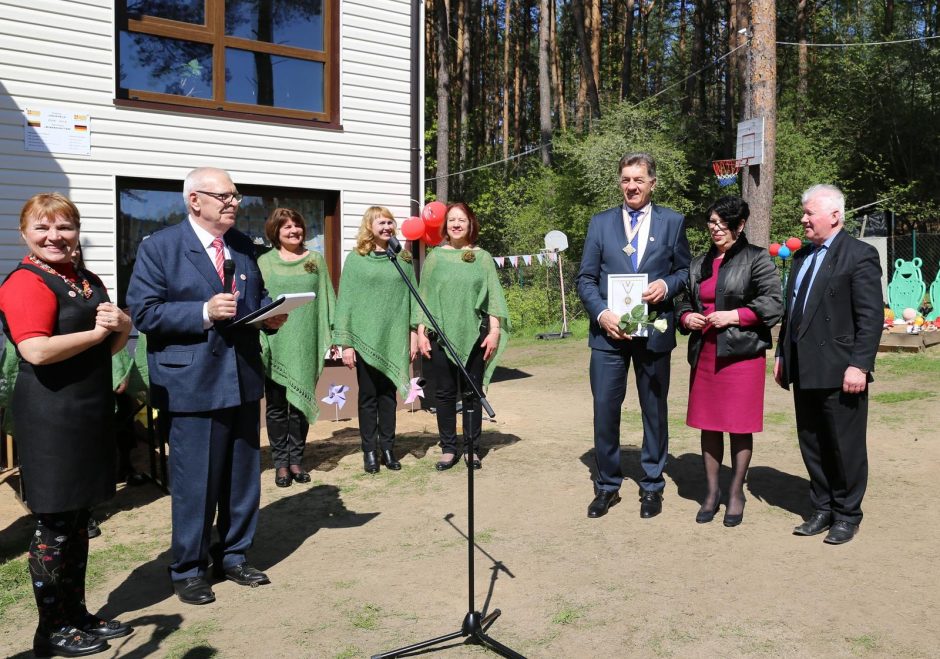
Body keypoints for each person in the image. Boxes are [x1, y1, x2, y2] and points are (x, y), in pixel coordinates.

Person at [127, 167, 286, 605]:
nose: (234, 202)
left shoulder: (242, 247)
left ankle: (234, 556)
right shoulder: (159, 248)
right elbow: (144, 313)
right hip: (191, 383)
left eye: (236, 195)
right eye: (225, 196)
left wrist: (269, 316)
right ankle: (189, 570)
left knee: (242, 479)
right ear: (195, 200)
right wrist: (201, 311)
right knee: (196, 482)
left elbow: (250, 303)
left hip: (241, 377)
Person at [0, 193, 133, 657]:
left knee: (79, 523)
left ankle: (76, 614)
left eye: (65, 227)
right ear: (25, 234)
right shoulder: (24, 282)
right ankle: (50, 628)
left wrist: (122, 325)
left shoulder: (84, 278)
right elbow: (34, 350)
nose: (55, 236)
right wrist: (100, 332)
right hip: (51, 419)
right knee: (55, 526)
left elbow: (108, 350)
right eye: (43, 228)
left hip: (88, 412)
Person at [577, 152, 691, 519]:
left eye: (638, 180)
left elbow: (685, 272)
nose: (632, 186)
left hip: (653, 332)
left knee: (654, 411)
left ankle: (652, 485)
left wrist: (666, 285)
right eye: (626, 179)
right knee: (605, 411)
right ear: (619, 182)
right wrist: (601, 312)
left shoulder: (673, 222)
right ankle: (607, 486)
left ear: (652, 183)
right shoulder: (600, 223)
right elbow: (586, 279)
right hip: (608, 335)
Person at [774, 184, 882, 545]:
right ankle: (821, 507)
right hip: (803, 367)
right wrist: (781, 355)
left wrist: (860, 366)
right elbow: (792, 314)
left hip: (841, 370)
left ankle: (847, 514)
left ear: (835, 215)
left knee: (843, 444)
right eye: (803, 212)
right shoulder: (803, 257)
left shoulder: (859, 255)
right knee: (812, 441)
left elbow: (870, 318)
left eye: (809, 213)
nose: (803, 219)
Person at [677, 196, 783, 526]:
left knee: (739, 427)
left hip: (741, 357)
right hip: (706, 355)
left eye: (722, 225)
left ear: (739, 226)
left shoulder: (757, 259)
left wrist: (735, 316)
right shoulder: (698, 263)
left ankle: (735, 492)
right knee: (709, 426)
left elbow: (774, 303)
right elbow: (682, 301)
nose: (716, 230)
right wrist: (687, 318)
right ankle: (711, 493)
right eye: (711, 223)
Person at [416, 202, 510, 471]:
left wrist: (494, 332)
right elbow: (425, 297)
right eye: (452, 220)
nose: (456, 224)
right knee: (444, 394)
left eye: (462, 220)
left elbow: (493, 298)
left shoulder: (482, 258)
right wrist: (421, 333)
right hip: (439, 336)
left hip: (476, 336)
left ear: (471, 225)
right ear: (445, 226)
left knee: (472, 393)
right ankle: (448, 448)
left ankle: (471, 448)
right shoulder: (435, 257)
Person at [333, 207, 417, 474]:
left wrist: (414, 333)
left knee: (388, 397)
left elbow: (413, 299)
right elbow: (345, 301)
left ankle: (389, 449)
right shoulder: (356, 260)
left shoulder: (402, 259)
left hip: (393, 339)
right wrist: (346, 343)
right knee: (368, 397)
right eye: (381, 222)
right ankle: (370, 452)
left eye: (390, 222)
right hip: (364, 339)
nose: (387, 227)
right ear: (369, 226)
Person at [258, 208, 335, 487]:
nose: (294, 231)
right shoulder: (264, 262)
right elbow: (258, 300)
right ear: (275, 232)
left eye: (298, 226)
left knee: (300, 406)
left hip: (306, 342)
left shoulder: (315, 260)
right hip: (275, 341)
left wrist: (332, 334)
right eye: (286, 227)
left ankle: (296, 460)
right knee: (277, 406)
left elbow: (327, 297)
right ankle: (280, 463)